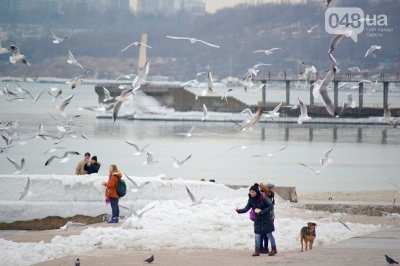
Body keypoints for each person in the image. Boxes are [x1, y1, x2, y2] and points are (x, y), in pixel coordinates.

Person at [236, 183, 277, 256]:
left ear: (256, 192)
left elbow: (270, 206)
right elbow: (246, 208)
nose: (251, 193)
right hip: (257, 219)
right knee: (257, 234)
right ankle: (257, 251)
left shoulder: (262, 198)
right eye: (250, 192)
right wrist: (239, 211)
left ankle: (274, 249)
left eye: (253, 192)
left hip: (266, 218)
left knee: (269, 234)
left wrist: (263, 211)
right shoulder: (251, 200)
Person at [260, 182, 276, 254]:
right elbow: (270, 207)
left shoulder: (266, 195)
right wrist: (272, 215)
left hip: (265, 216)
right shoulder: (268, 196)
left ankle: (262, 247)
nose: (274, 190)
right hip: (268, 216)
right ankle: (265, 248)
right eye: (273, 188)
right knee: (267, 233)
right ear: (269, 189)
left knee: (263, 233)